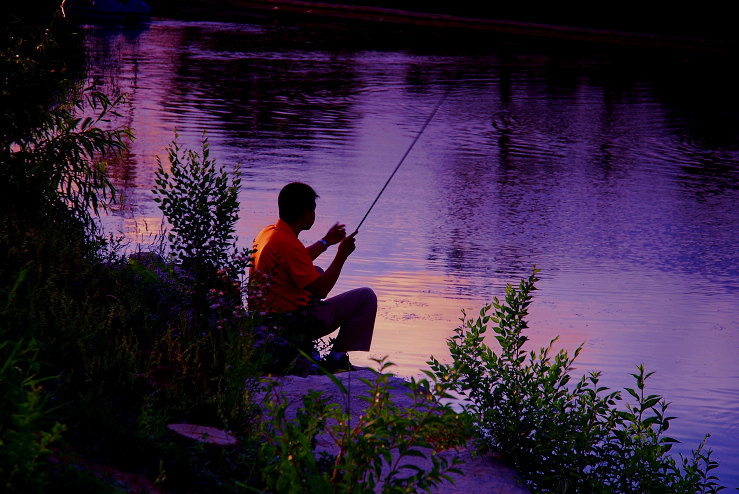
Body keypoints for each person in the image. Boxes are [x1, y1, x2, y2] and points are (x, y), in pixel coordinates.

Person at [250, 182, 376, 373]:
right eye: (314, 210)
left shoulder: (269, 233)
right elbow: (321, 290)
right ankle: (336, 360)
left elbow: (296, 260)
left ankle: (317, 354)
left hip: (265, 319)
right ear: (306, 213)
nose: (315, 215)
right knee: (366, 297)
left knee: (315, 270)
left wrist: (326, 242)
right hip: (290, 324)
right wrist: (342, 254)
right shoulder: (289, 244)